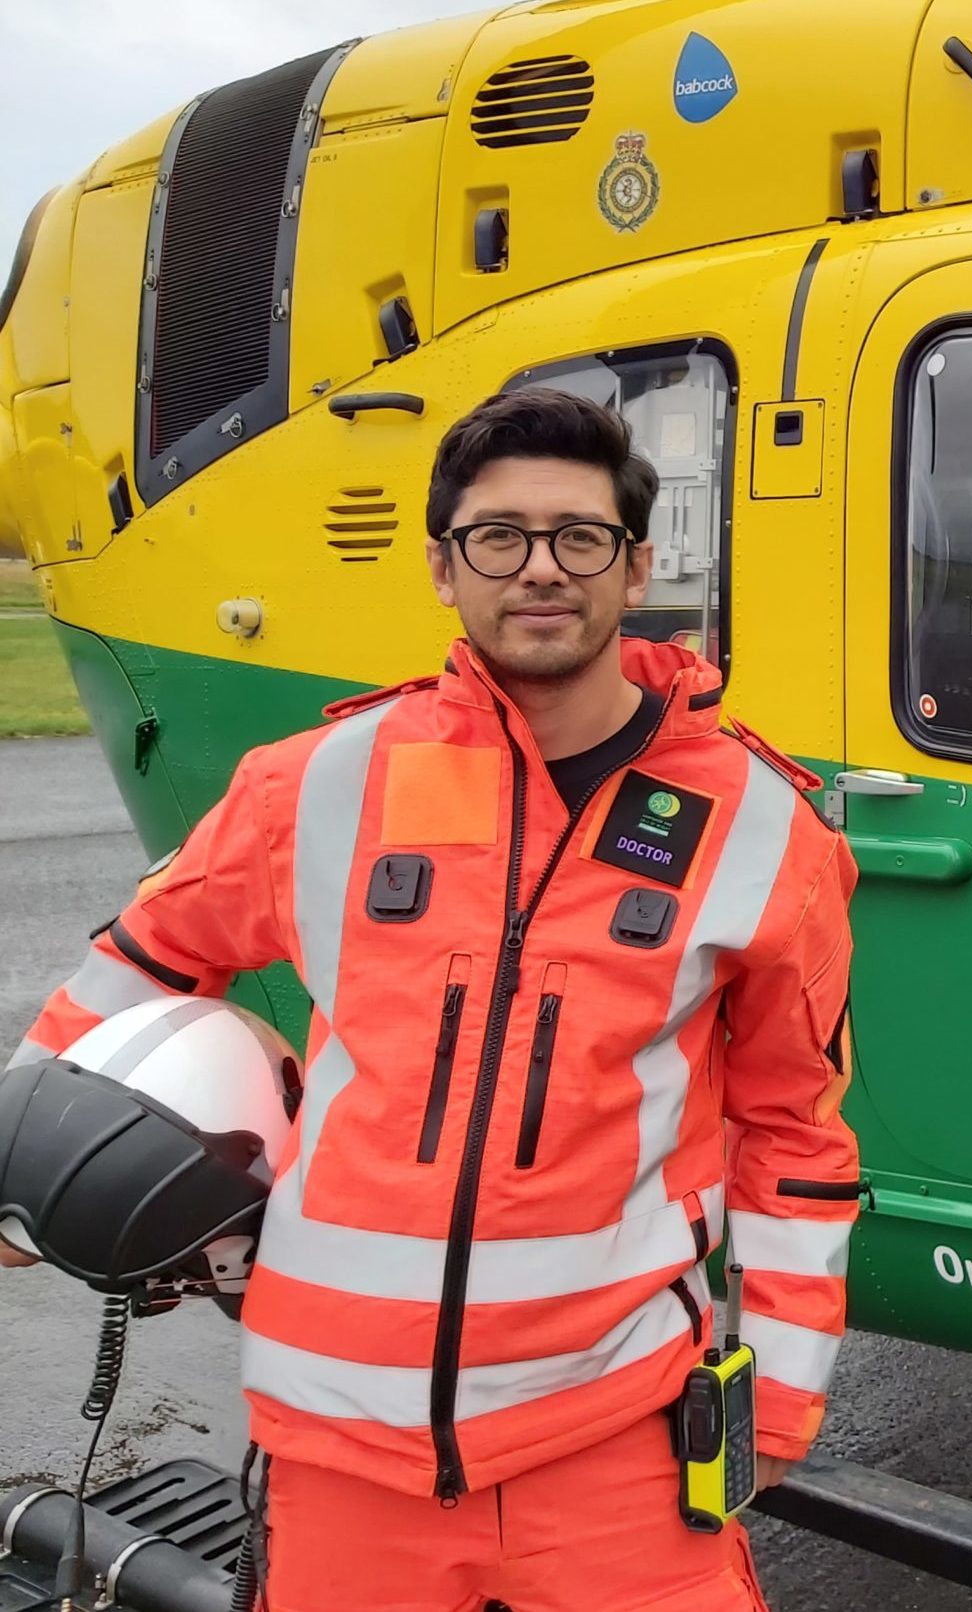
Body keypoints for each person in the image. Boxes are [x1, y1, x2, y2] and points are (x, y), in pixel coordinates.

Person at [1, 388, 860, 1612]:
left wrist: (777, 1387)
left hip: (621, 1443)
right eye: (498, 537)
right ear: (443, 568)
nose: (540, 569)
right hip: (339, 1447)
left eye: (580, 536)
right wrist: (27, 1167)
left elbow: (796, 1136)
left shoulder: (762, 825)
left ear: (638, 563)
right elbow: (144, 956)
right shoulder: (319, 781)